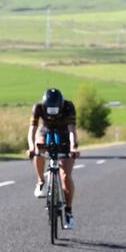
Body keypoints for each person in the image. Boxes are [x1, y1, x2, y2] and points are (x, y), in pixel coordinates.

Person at [27, 88, 79, 229]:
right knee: (38, 150)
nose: (52, 114)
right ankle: (41, 181)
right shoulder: (38, 107)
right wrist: (32, 147)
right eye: (49, 110)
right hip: (46, 131)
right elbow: (32, 130)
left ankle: (68, 211)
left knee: (65, 176)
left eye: (55, 110)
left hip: (65, 135)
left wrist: (73, 147)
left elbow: (72, 130)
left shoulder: (68, 106)